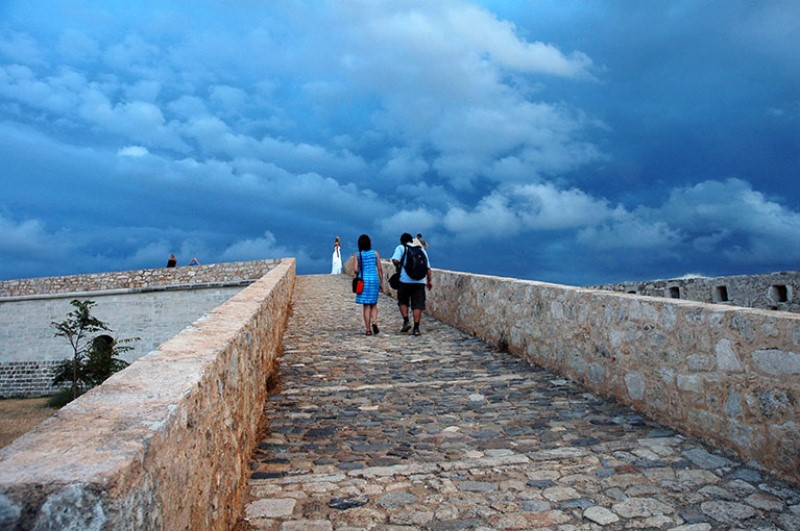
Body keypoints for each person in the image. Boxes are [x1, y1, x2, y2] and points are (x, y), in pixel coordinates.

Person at [391, 232, 432, 336]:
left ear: (402, 241)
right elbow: (428, 268)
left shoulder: (401, 248)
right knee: (417, 305)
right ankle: (416, 328)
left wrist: (400, 265)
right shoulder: (421, 249)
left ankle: (406, 321)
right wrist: (429, 281)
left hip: (405, 280)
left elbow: (395, 260)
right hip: (420, 281)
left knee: (403, 301)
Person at [353, 234, 384, 335]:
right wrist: (381, 282)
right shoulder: (375, 253)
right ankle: (374, 322)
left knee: (366, 306)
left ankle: (368, 329)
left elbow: (355, 269)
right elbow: (380, 269)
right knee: (374, 304)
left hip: (363, 281)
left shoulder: (357, 254)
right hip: (374, 280)